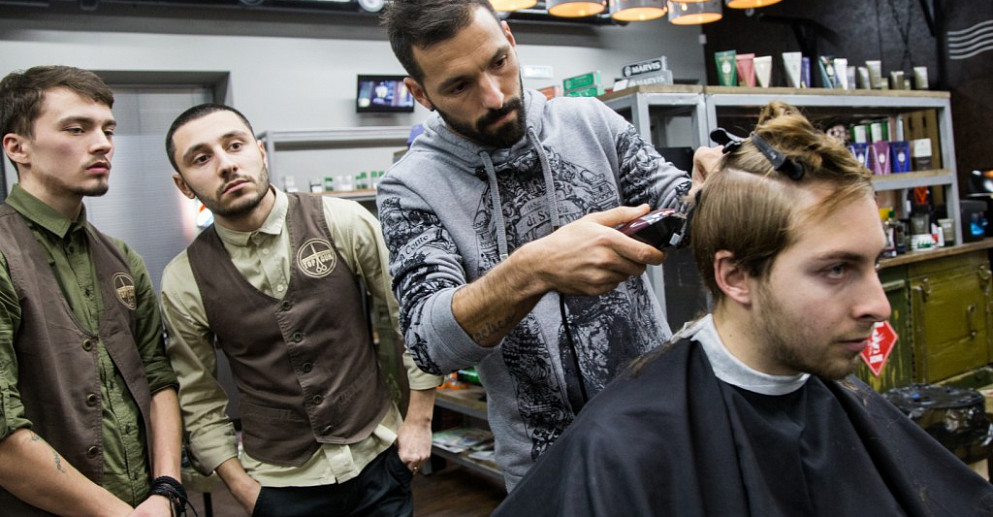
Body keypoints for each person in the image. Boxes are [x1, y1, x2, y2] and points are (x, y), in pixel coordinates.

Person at [491, 101, 993, 516]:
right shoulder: (623, 445)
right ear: (734, 277)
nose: (878, 306)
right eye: (837, 269)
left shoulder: (839, 400)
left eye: (873, 264)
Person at [379, 0, 705, 489]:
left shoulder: (591, 122)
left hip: (665, 426)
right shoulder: (410, 187)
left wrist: (717, 188)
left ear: (510, 39)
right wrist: (532, 270)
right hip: (547, 470)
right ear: (420, 93)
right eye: (459, 86)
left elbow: (680, 209)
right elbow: (429, 343)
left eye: (498, 62)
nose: (494, 97)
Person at [160, 103, 442, 517]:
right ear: (183, 184)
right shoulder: (184, 279)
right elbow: (198, 396)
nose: (226, 165)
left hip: (378, 458)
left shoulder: (341, 220)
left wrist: (419, 420)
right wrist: (242, 488)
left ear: (260, 152)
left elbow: (412, 316)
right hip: (280, 483)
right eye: (201, 158)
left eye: (234, 145)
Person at [0, 65, 184, 516]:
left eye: (108, 130)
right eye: (76, 128)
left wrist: (166, 489)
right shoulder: (5, 254)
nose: (102, 143)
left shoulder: (121, 258)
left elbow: (157, 375)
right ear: (18, 147)